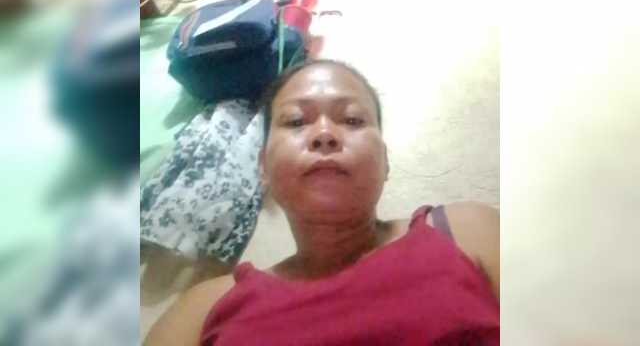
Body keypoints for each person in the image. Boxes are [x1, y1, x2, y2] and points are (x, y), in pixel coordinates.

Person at [144, 59, 500, 346]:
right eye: (296, 121)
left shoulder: (466, 232)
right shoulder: (200, 311)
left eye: (352, 119)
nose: (325, 134)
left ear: (385, 162)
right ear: (263, 168)